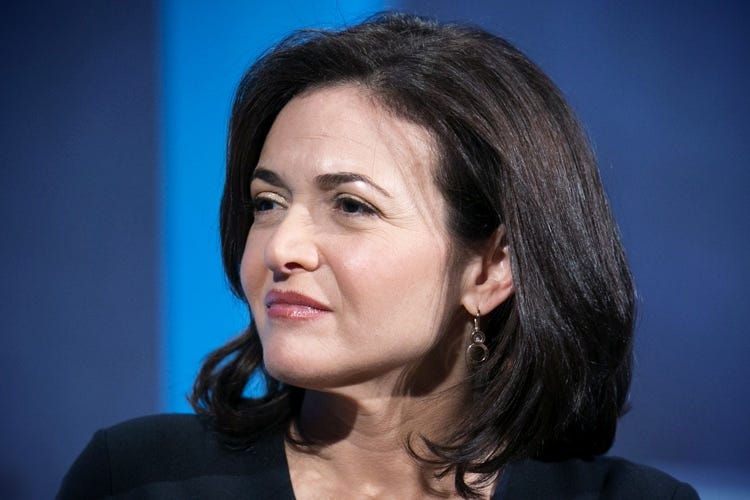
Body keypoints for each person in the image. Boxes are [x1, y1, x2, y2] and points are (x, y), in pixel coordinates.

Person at [58, 12, 698, 499]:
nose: (282, 248)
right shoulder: (139, 478)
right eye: (266, 203)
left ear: (492, 267)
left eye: (352, 207)